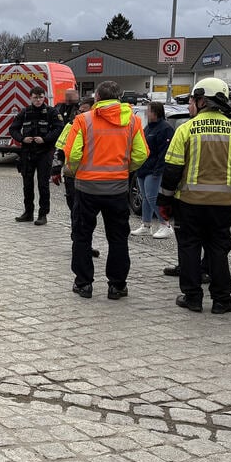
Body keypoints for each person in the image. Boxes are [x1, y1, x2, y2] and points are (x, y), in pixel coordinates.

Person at [158, 78, 231, 314]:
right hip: (222, 205)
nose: (191, 103)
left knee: (189, 248)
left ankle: (192, 297)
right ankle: (222, 299)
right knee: (218, 250)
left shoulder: (186, 129)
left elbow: (172, 170)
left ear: (202, 100)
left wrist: (164, 202)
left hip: (189, 203)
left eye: (192, 99)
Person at [63, 80, 149, 300]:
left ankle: (84, 284)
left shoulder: (83, 120)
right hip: (117, 190)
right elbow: (141, 154)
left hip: (87, 188)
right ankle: (117, 286)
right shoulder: (132, 121)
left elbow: (72, 154)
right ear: (119, 98)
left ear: (97, 98)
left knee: (82, 237)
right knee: (118, 238)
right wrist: (123, 170)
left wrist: (76, 172)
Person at [52, 94, 100, 258]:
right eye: (79, 111)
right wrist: (55, 170)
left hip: (90, 178)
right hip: (72, 176)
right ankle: (79, 243)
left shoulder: (97, 128)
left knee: (87, 215)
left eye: (84, 111)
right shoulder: (71, 125)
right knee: (75, 211)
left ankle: (84, 243)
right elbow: (60, 149)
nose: (80, 114)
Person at [10, 86, 63, 225]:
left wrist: (45, 139)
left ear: (44, 97)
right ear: (30, 98)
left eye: (41, 97)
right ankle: (28, 213)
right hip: (27, 153)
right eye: (35, 97)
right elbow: (13, 128)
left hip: (44, 152)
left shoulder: (51, 112)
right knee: (27, 184)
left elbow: (59, 128)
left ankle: (43, 214)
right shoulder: (25, 112)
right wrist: (21, 139)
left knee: (43, 185)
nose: (38, 100)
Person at [131, 101, 175, 238]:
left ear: (155, 112)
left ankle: (165, 224)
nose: (146, 113)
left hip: (155, 170)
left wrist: (158, 170)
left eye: (148, 110)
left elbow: (164, 152)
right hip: (144, 168)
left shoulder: (165, 129)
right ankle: (146, 224)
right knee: (145, 198)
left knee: (152, 197)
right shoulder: (148, 128)